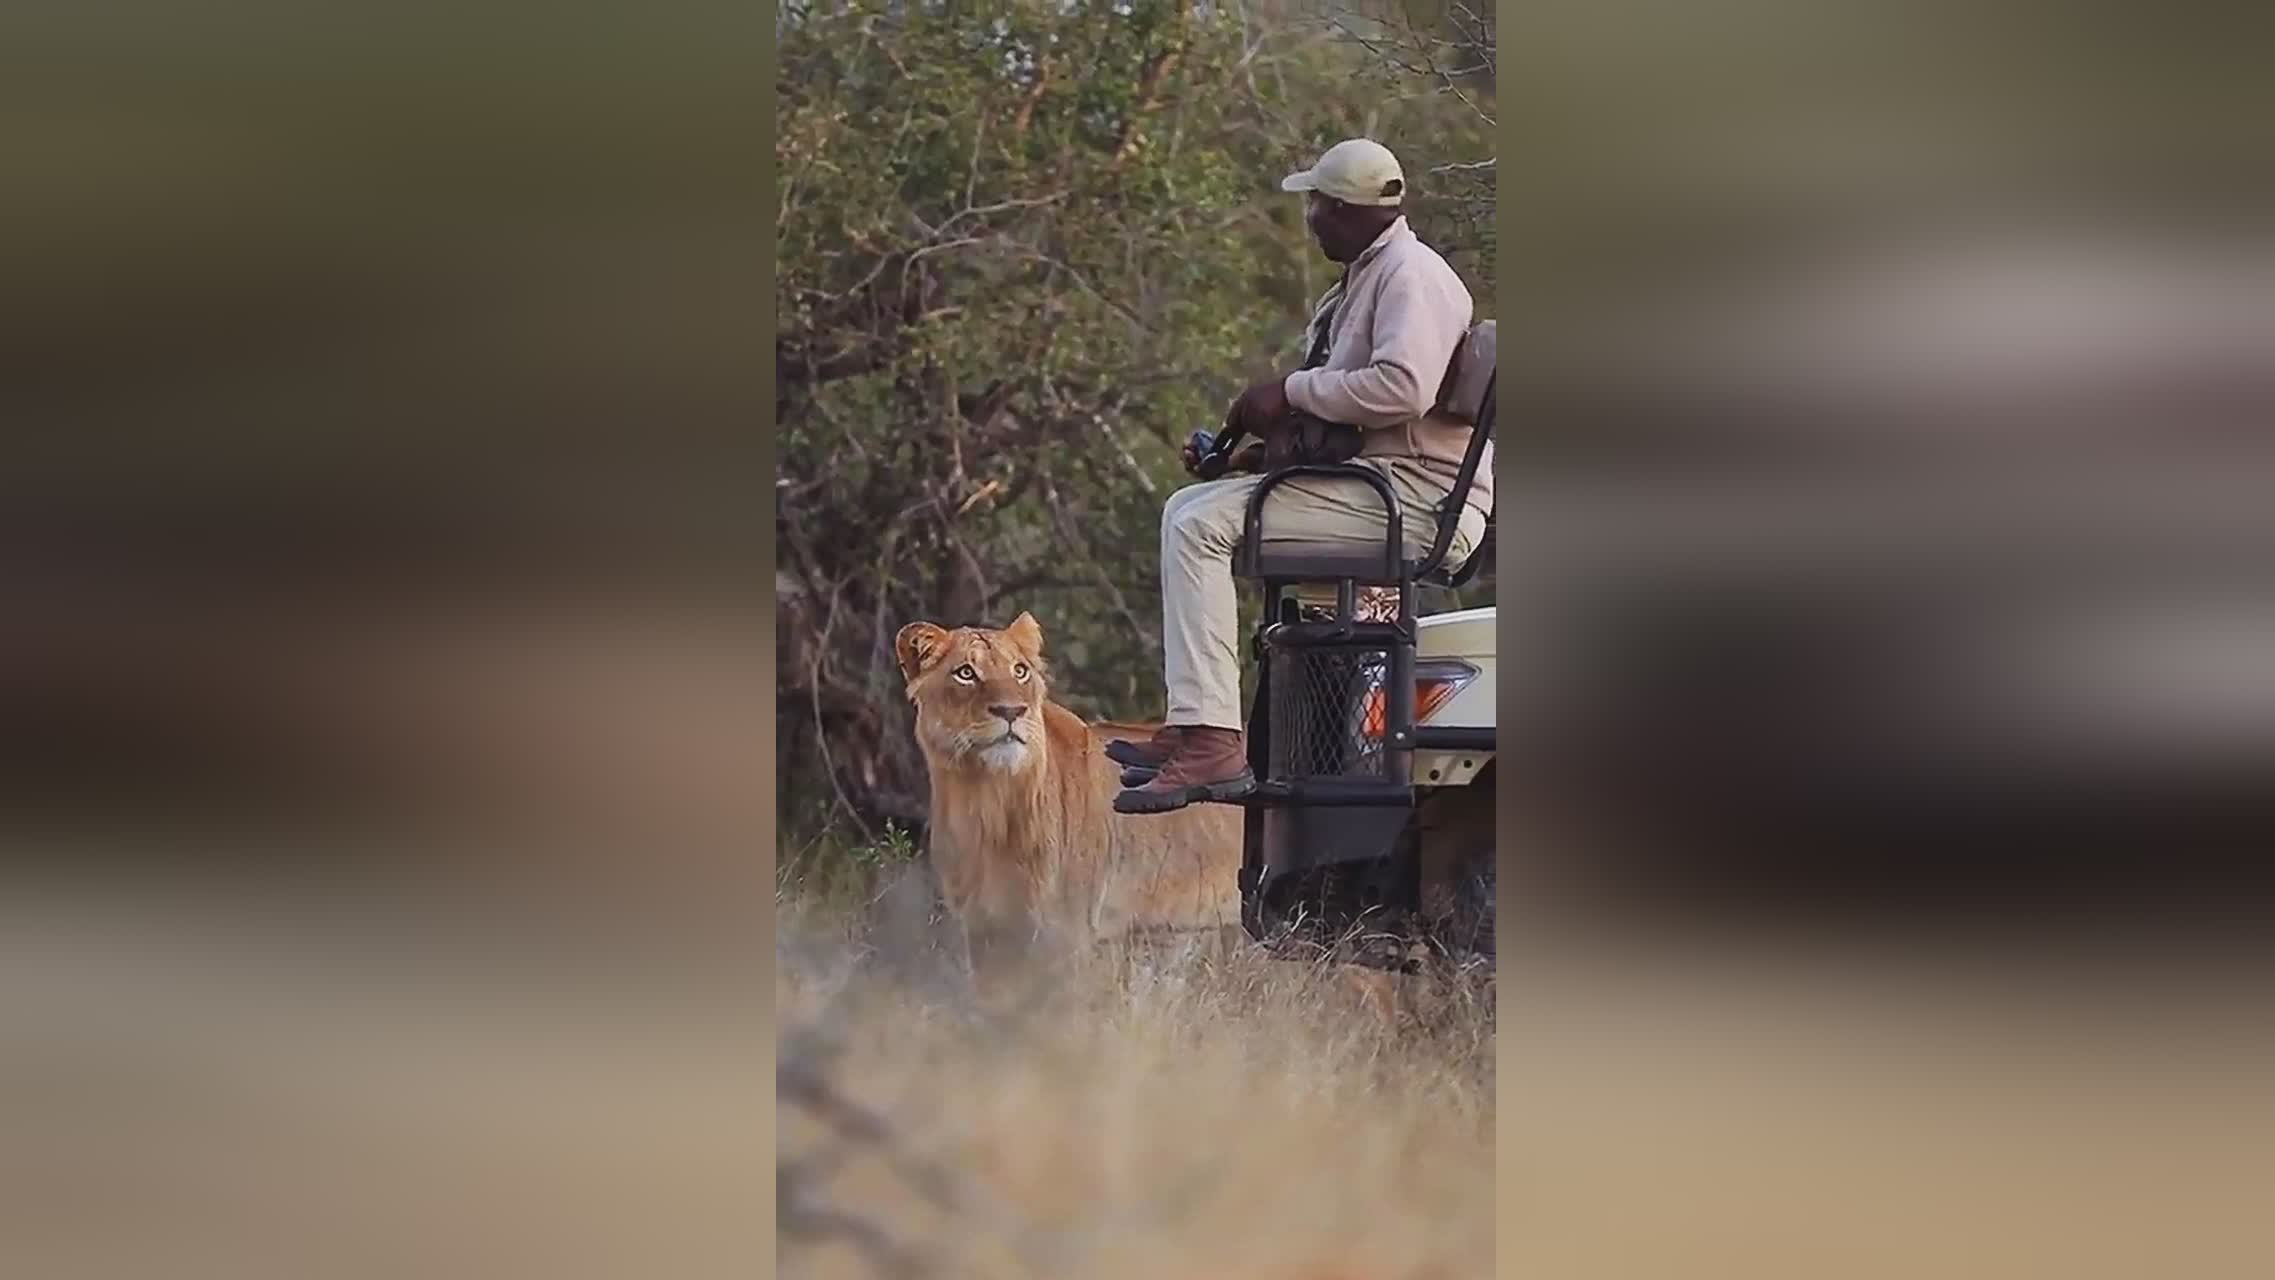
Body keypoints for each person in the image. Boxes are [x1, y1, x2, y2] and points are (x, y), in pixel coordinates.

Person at [1111, 137, 1492, 814]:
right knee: (1190, 504)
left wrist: (1290, 391)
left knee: (1201, 525)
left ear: (1342, 209)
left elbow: (1402, 389)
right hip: (1377, 485)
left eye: (1314, 203)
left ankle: (1214, 741)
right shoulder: (1367, 277)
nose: (1309, 217)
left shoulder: (1410, 275)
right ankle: (1199, 720)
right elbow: (1359, 418)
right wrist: (1249, 455)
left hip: (1415, 500)